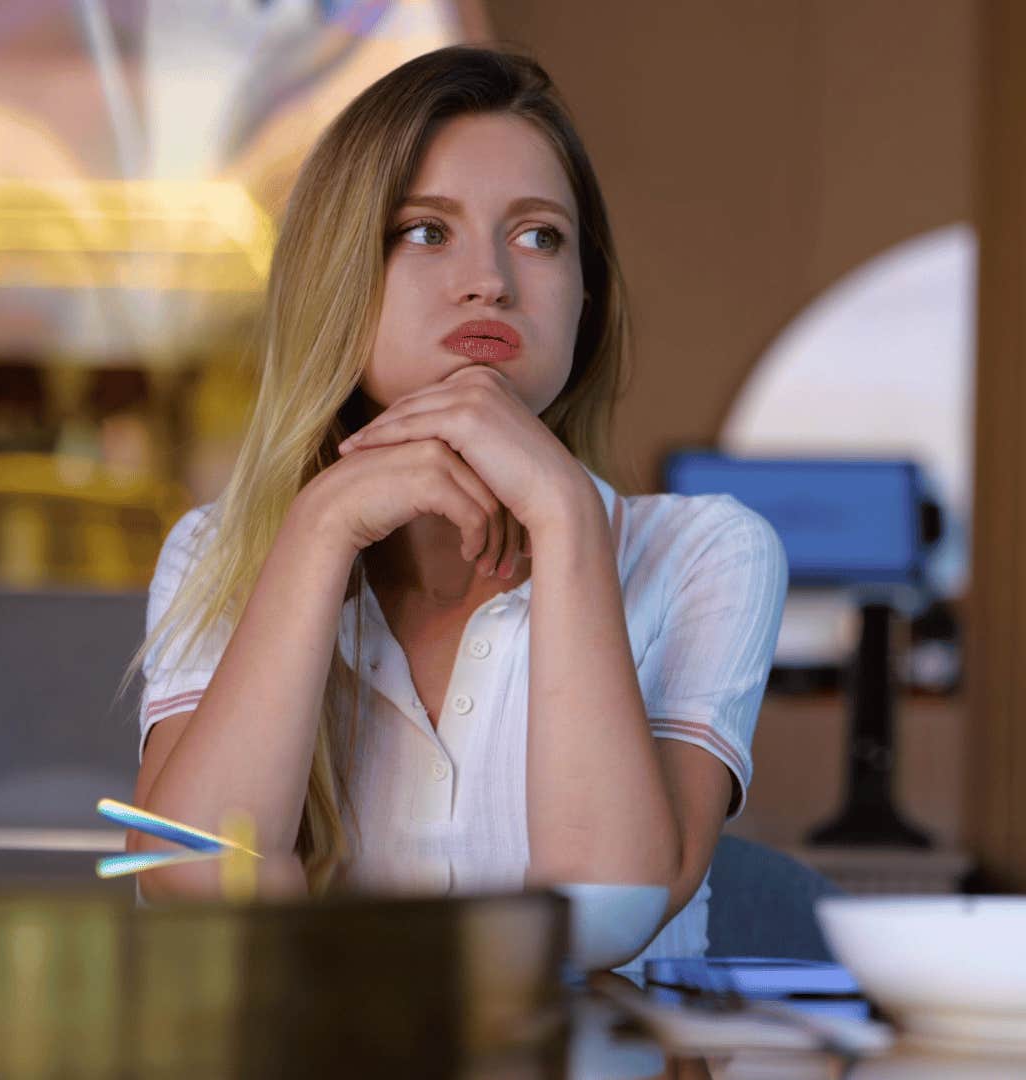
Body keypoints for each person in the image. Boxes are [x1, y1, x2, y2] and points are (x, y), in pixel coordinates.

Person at [126, 45, 787, 966]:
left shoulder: (708, 552)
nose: (493, 282)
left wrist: (563, 517)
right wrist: (319, 531)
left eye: (540, 236)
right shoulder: (219, 550)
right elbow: (194, 878)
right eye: (426, 231)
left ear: (585, 297)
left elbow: (596, 917)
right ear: (336, 277)